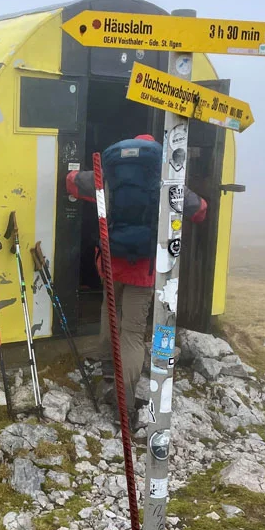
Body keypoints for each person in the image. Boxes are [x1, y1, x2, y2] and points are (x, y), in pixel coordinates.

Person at [65, 134, 208, 410]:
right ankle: (124, 401)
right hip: (143, 267)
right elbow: (198, 209)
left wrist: (71, 174)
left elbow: (73, 182)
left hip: (110, 260)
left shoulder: (109, 173)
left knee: (110, 312)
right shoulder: (165, 178)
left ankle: (108, 371)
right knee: (131, 333)